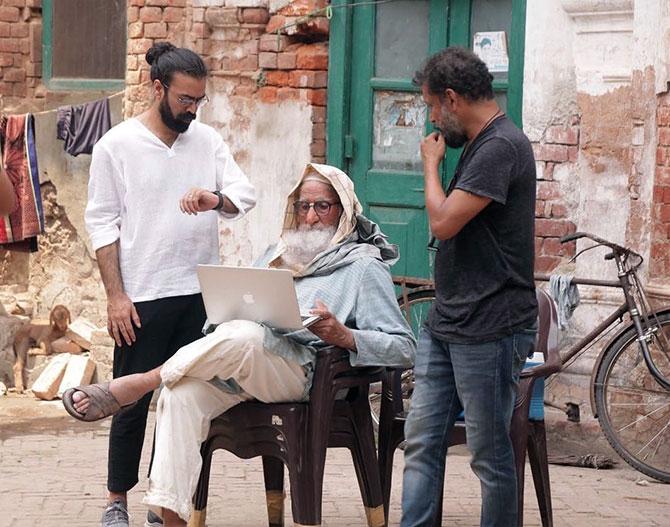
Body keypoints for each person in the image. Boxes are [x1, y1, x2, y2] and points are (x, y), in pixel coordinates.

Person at [65, 163, 416, 526]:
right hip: (247, 364)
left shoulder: (363, 266)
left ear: (343, 211)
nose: (310, 217)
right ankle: (170, 520)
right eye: (303, 206)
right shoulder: (277, 253)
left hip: (306, 375)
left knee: (243, 337)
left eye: (322, 207)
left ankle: (137, 384)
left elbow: (405, 347)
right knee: (180, 392)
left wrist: (345, 336)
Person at [84, 42, 256, 527]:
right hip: (141, 295)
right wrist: (116, 296)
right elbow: (101, 224)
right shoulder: (116, 144)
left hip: (199, 294)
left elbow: (244, 194)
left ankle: (165, 506)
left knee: (180, 400)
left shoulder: (207, 140)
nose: (193, 109)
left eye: (199, 101)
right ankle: (115, 501)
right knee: (129, 397)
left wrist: (213, 199)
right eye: (185, 99)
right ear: (157, 88)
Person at [401, 47, 538, 527]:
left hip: (491, 324)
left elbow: (442, 223)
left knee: (488, 453)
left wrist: (431, 164)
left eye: (431, 107)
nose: (432, 121)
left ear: (452, 99)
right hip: (448, 320)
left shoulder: (500, 146)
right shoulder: (483, 143)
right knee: (421, 440)